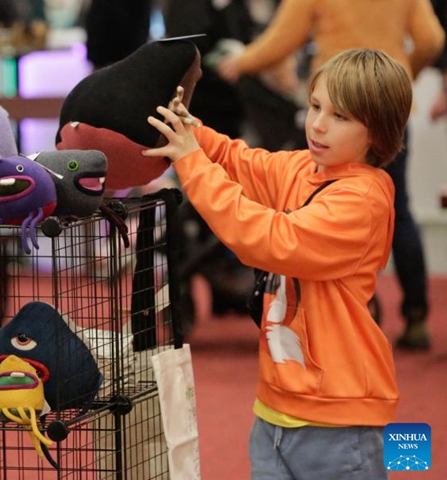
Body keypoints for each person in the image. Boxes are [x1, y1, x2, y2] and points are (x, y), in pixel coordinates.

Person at [144, 48, 410, 479]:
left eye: (340, 117)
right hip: (274, 409)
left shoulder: (362, 199)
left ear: (377, 133)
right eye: (316, 106)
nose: (318, 123)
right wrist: (188, 128)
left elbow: (268, 240)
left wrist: (189, 160)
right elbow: (239, 161)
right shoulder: (306, 167)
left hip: (340, 418)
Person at [215, 0, 445, 350]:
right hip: (385, 114)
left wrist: (241, 61)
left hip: (338, 108)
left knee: (326, 212)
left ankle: (341, 313)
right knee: (398, 211)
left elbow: (283, 37)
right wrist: (396, 81)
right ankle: (415, 315)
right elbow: (431, 38)